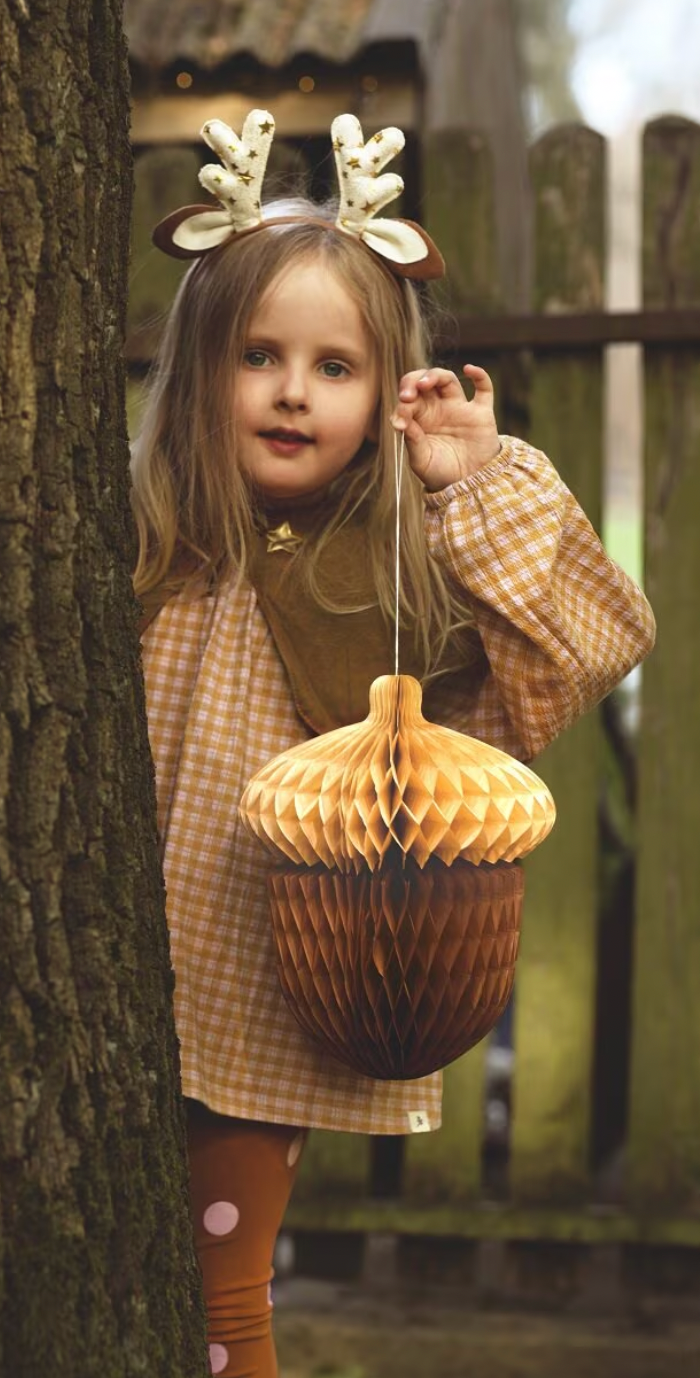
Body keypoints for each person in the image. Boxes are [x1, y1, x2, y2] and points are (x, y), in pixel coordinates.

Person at [131, 112, 655, 1378]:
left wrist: (469, 481)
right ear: (203, 367)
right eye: (259, 355)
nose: (293, 391)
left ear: (379, 395)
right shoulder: (159, 547)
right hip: (120, 977)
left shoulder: (397, 566)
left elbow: (589, 639)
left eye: (333, 366)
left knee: (222, 1293)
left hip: (258, 994)